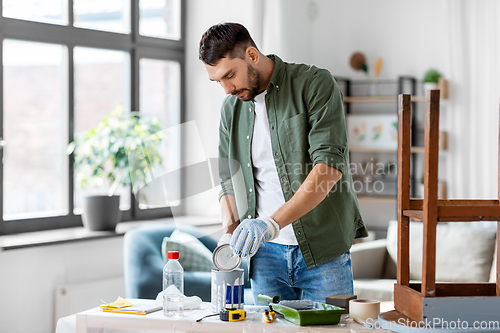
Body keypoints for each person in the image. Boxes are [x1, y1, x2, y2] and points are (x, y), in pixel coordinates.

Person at [199, 22, 368, 303]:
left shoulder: (314, 84)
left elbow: (327, 169)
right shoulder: (231, 108)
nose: (226, 89)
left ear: (252, 55)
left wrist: (270, 224)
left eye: (230, 75)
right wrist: (229, 235)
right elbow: (229, 179)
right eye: (218, 81)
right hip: (264, 257)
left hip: (322, 250)